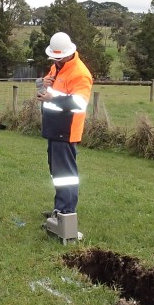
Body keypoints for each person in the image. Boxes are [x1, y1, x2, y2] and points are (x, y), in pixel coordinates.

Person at [36, 32, 93, 226]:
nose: (56, 61)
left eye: (59, 58)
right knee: (57, 173)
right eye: (54, 58)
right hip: (53, 127)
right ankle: (59, 208)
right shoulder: (57, 67)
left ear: (69, 53)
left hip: (66, 130)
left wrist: (53, 99)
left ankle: (66, 212)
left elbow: (79, 104)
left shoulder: (80, 73)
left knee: (65, 175)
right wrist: (41, 84)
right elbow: (47, 88)